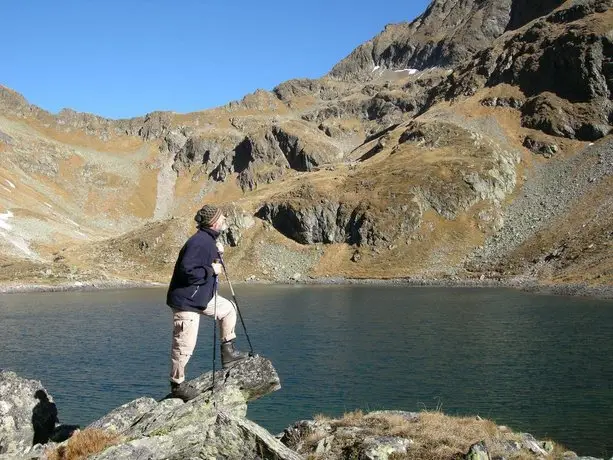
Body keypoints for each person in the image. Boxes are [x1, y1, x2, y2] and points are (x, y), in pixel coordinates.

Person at [166, 204, 249, 401]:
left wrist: (216, 254)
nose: (225, 221)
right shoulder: (199, 242)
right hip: (186, 301)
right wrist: (211, 270)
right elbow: (187, 271)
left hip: (202, 298)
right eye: (222, 219)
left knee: (228, 309)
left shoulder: (208, 241)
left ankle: (228, 353)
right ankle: (178, 385)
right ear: (213, 222)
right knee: (184, 344)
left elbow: (203, 264)